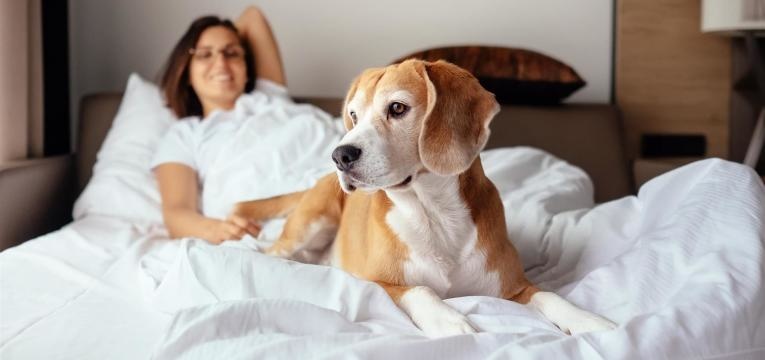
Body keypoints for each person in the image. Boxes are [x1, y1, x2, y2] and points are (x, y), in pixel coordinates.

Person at [152, 6, 286, 244]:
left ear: (246, 68)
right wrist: (218, 230)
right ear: (187, 72)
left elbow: (252, 16)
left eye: (231, 53)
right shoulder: (185, 134)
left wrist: (220, 38)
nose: (221, 62)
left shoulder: (270, 98)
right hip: (264, 223)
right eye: (205, 55)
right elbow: (176, 212)